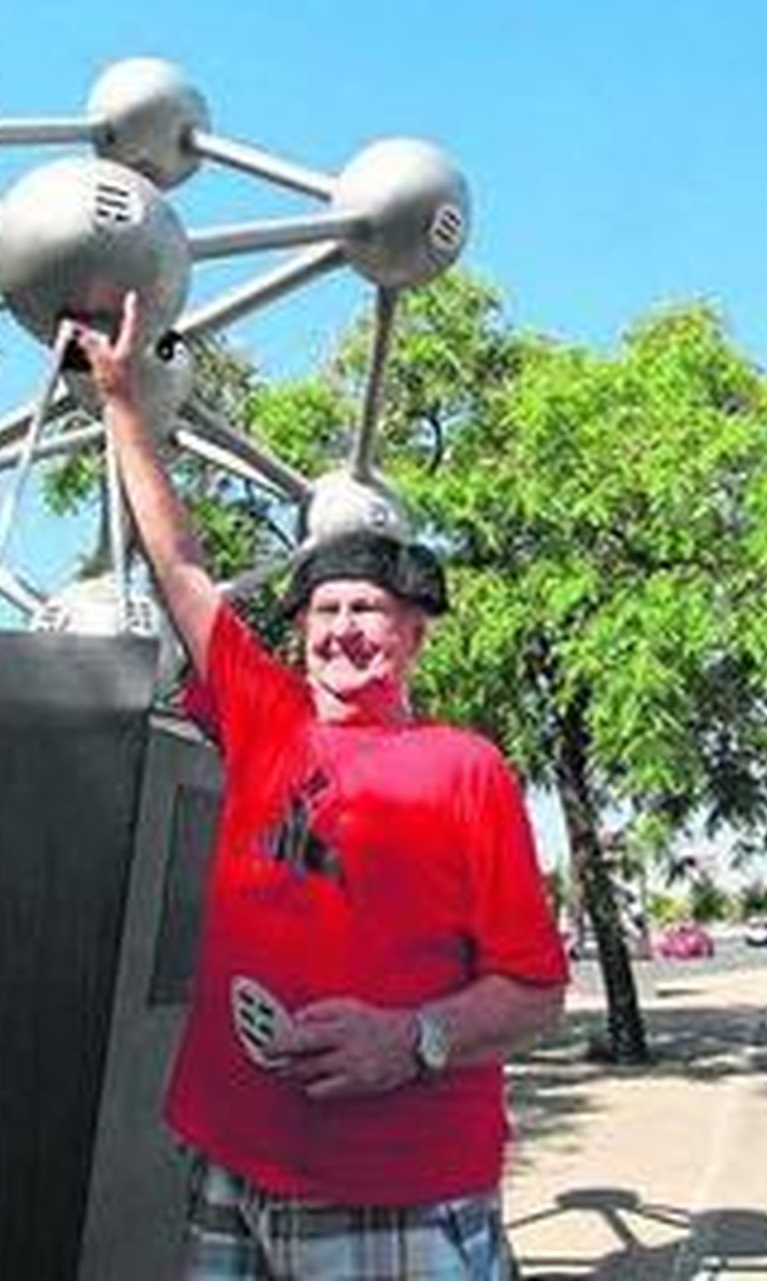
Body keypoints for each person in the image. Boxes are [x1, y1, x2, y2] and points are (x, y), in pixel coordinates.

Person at [73, 294, 568, 1280]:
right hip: (232, 1158)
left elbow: (536, 993)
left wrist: (414, 1038)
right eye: (325, 610)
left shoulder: (464, 766)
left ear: (413, 634)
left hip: (392, 1182)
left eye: (369, 611)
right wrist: (125, 406)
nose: (342, 628)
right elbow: (178, 561)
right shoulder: (263, 716)